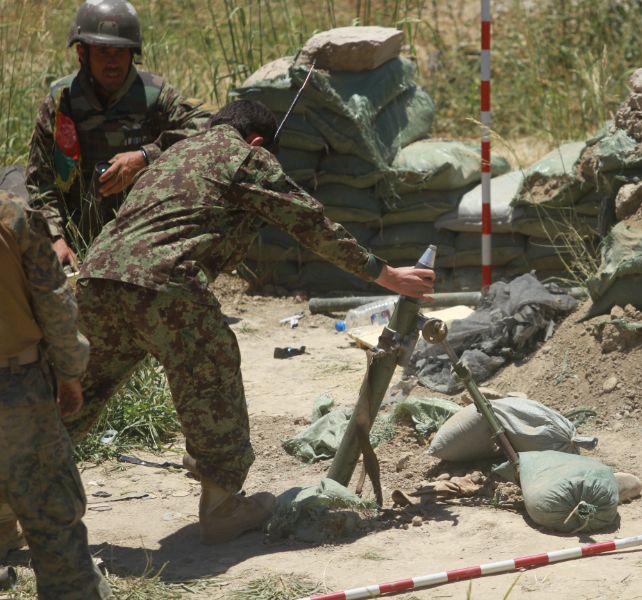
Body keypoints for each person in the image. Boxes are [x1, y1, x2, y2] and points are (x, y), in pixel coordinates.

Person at [67, 99, 436, 544]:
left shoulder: (177, 153)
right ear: (258, 142)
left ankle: (11, 503)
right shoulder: (245, 155)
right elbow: (309, 222)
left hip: (96, 280)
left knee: (74, 395)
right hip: (164, 285)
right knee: (212, 375)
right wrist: (387, 274)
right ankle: (222, 505)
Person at [26, 0, 211, 265]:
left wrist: (145, 156)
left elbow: (207, 126)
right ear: (82, 52)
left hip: (145, 227)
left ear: (133, 53)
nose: (113, 62)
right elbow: (41, 182)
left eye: (120, 52)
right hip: (76, 231)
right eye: (102, 52)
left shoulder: (154, 95)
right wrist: (56, 239)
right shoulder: (61, 101)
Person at [0, 190, 111, 599]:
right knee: (51, 516)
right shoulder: (10, 214)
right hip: (15, 391)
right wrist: (70, 373)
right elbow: (54, 304)